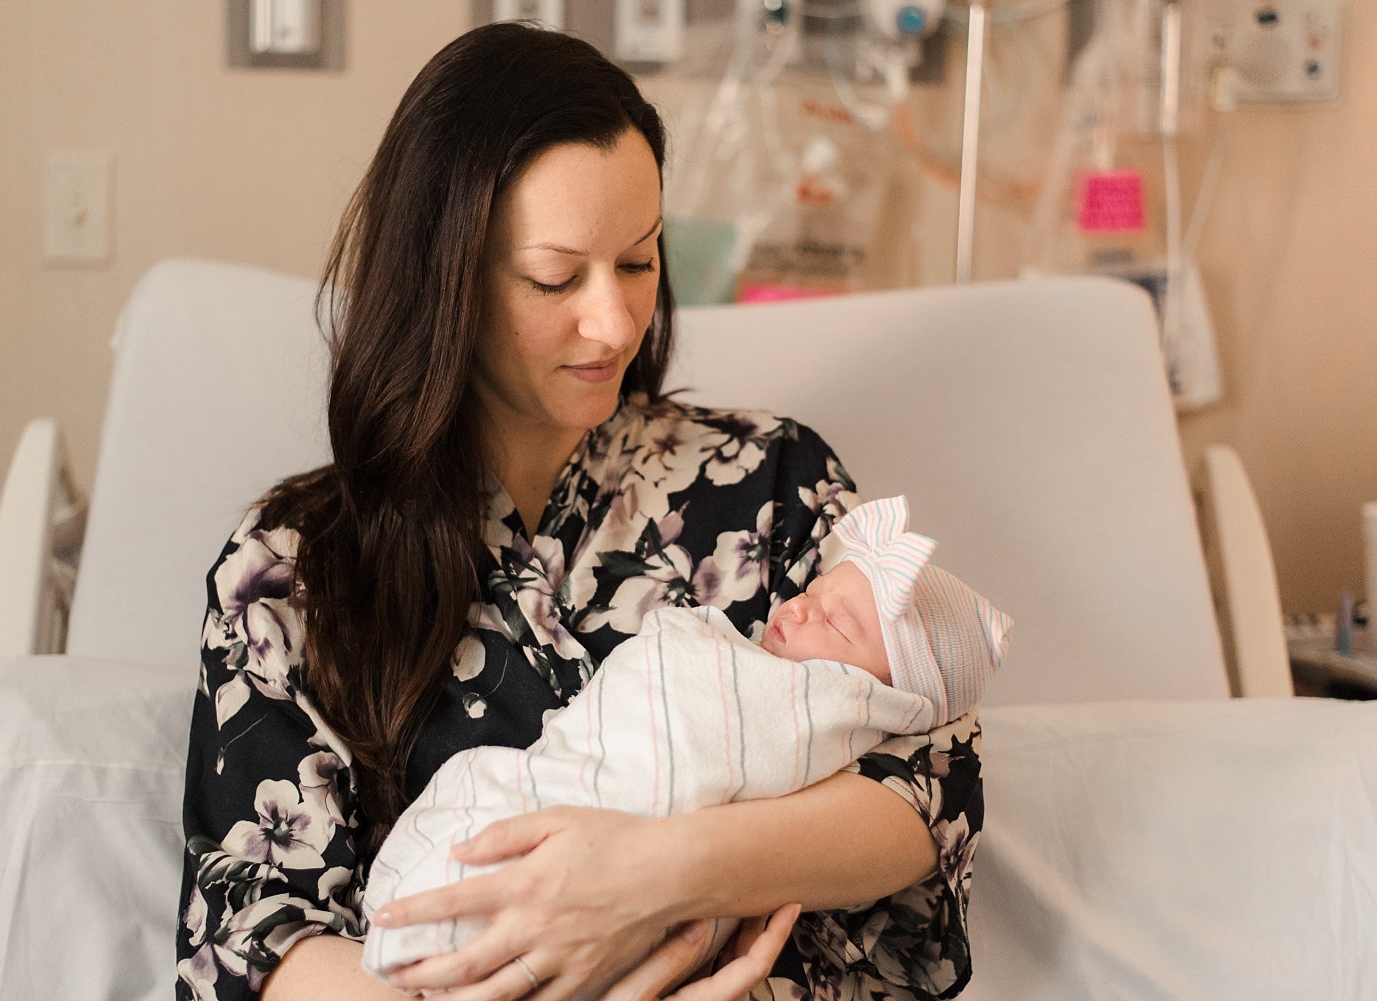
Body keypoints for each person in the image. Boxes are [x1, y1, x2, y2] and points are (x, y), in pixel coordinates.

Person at [177, 20, 986, 1001]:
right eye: (555, 277)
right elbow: (254, 929)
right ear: (447, 279)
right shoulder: (294, 569)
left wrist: (654, 874)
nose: (611, 323)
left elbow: (925, 787)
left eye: (639, 263)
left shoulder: (767, 481)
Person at [361, 495, 1012, 981]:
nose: (802, 604)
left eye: (837, 623)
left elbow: (937, 779)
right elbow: (268, 931)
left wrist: (658, 870)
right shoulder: (321, 549)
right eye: (814, 588)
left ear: (884, 695)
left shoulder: (783, 479)